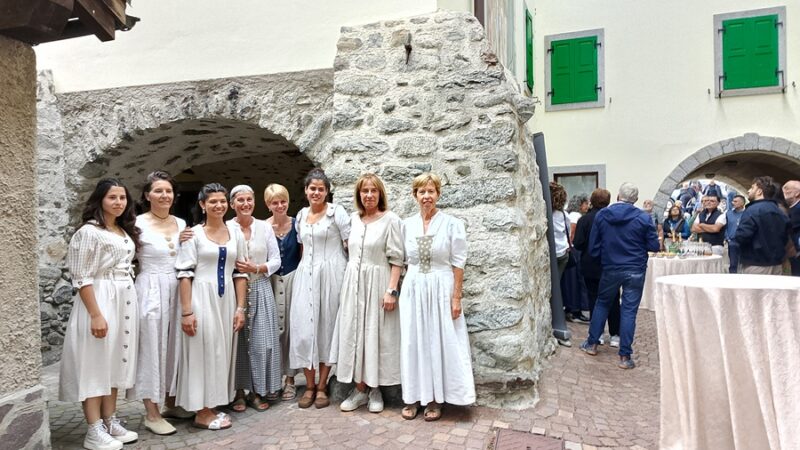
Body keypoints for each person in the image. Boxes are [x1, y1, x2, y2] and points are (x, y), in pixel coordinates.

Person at [59, 178, 141, 450]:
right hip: (101, 298)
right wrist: (95, 314)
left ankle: (110, 420)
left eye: (122, 198)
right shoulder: (89, 232)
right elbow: (81, 277)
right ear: (100, 200)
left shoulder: (121, 230)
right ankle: (93, 429)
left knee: (116, 361)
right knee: (95, 363)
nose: (119, 202)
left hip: (123, 299)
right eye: (112, 198)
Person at [399, 173, 475, 422]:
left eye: (431, 191)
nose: (426, 196)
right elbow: (400, 261)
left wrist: (456, 298)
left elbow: (458, 263)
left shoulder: (452, 224)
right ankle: (412, 396)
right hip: (413, 288)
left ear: (438, 194)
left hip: (442, 287)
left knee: (438, 341)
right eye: (422, 192)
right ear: (415, 195)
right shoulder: (406, 225)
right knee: (414, 341)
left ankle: (435, 399)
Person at [174, 183, 248, 430]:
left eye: (222, 201)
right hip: (200, 298)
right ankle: (201, 412)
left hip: (226, 300)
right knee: (200, 351)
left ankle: (211, 403)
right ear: (203, 205)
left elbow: (240, 272)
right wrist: (187, 311)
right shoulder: (193, 234)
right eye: (213, 202)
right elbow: (184, 273)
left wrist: (240, 308)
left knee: (219, 351)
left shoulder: (235, 232)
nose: (219, 205)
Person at [332, 174, 404, 413]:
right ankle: (359, 389)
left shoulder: (390, 220)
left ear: (380, 193)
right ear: (359, 195)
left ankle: (375, 390)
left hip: (378, 282)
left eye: (373, 191)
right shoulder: (352, 220)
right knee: (354, 334)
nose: (369, 195)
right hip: (353, 283)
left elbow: (397, 259)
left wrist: (391, 291)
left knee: (375, 335)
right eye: (365, 191)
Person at [126, 171, 188, 436]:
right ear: (147, 195)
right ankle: (151, 413)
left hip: (178, 288)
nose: (165, 196)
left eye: (169, 191)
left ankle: (171, 403)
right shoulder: (136, 224)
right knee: (152, 348)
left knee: (175, 346)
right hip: (150, 288)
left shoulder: (183, 223)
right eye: (159, 191)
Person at [580, 183, 659, 369]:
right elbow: (654, 246)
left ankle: (592, 343)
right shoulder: (643, 217)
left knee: (602, 303)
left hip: (611, 266)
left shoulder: (603, 215)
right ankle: (624, 356)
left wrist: (604, 258)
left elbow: (593, 247)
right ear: (636, 199)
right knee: (629, 310)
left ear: (618, 196)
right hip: (635, 267)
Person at [290, 169, 351, 409]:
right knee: (305, 330)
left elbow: (349, 245)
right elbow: (303, 248)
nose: (316, 192)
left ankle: (323, 385)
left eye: (321, 189)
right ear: (306, 191)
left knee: (326, 327)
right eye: (312, 188)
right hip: (306, 275)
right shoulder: (301, 215)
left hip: (332, 275)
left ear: (327, 192)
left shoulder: (337, 214)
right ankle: (309, 384)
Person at [228, 185, 282, 412]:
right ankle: (238, 392)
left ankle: (258, 391)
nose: (245, 204)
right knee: (237, 343)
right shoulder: (227, 227)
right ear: (232, 204)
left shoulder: (264, 228)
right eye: (240, 200)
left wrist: (257, 267)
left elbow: (276, 260)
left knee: (262, 343)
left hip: (260, 287)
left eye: (249, 199)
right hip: (234, 290)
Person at [264, 184, 302, 400]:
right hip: (270, 280)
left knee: (290, 328)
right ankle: (272, 378)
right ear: (268, 205)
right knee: (272, 330)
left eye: (282, 201)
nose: (279, 206)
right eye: (274, 202)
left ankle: (290, 378)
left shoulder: (297, 224)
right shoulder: (263, 227)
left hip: (293, 279)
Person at [573, 188, 621, 348]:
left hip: (591, 264)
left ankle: (598, 333)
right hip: (612, 264)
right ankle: (615, 335)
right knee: (614, 300)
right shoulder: (615, 219)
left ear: (592, 201)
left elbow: (578, 243)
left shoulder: (585, 220)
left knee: (594, 299)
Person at [734, 177, 791, 275]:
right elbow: (786, 237)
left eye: (752, 188)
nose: (748, 190)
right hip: (776, 264)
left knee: (753, 291)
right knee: (774, 290)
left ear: (759, 191)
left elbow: (742, 236)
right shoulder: (779, 211)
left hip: (756, 264)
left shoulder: (752, 210)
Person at [550, 183, 587, 323]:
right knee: (560, 284)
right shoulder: (564, 214)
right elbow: (569, 232)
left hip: (554, 252)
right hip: (563, 252)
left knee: (555, 285)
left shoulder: (550, 214)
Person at [563, 193, 591, 323]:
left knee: (573, 281)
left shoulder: (572, 215)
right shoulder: (575, 216)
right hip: (574, 250)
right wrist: (571, 246)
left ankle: (574, 309)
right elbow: (572, 232)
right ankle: (575, 310)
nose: (587, 206)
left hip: (571, 249)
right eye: (585, 203)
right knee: (575, 281)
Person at [724, 195, 746, 273]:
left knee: (744, 264)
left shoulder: (747, 214)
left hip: (744, 242)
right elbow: (725, 227)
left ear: (742, 203)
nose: (733, 203)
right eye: (733, 201)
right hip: (732, 242)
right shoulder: (728, 214)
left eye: (735, 201)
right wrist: (728, 238)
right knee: (733, 264)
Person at [782, 180, 800, 276]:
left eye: (787, 189)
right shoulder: (792, 209)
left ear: (797, 193)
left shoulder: (798, 209)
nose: (784, 192)